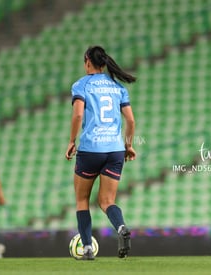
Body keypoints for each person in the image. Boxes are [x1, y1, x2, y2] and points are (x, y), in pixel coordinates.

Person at [65, 45, 137, 260]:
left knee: (82, 200)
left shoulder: (81, 85)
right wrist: (129, 145)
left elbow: (78, 116)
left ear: (87, 60)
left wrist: (71, 141)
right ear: (104, 63)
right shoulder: (117, 88)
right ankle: (121, 227)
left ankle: (87, 248)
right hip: (115, 150)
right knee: (107, 201)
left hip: (91, 150)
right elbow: (131, 120)